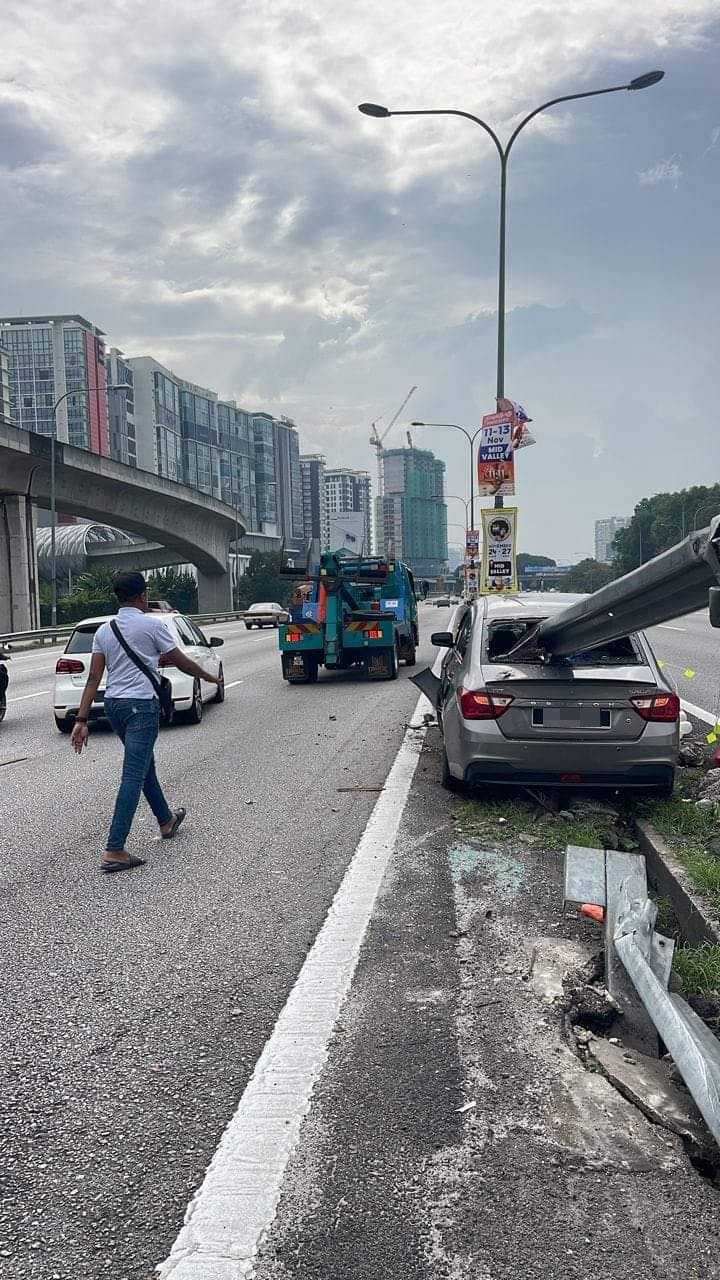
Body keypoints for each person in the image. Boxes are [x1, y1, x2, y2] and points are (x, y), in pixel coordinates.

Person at [70, 571, 221, 874]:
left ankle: (166, 820)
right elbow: (181, 661)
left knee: (143, 765)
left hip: (114, 707)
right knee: (133, 773)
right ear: (142, 596)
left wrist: (82, 719)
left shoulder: (104, 631)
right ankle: (115, 848)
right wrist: (208, 677)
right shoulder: (151, 626)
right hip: (141, 707)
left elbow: (93, 679)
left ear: (118, 597)